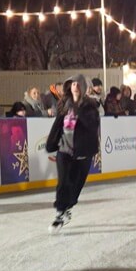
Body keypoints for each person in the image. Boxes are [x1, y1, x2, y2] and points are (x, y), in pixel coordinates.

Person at [45, 74, 101, 230]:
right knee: (63, 182)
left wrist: (78, 109)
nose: (75, 86)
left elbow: (92, 125)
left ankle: (68, 207)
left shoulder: (90, 106)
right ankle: (60, 213)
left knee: (76, 186)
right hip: (65, 150)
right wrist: (51, 143)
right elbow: (57, 125)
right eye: (72, 83)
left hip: (83, 152)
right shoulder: (64, 104)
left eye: (78, 84)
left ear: (82, 87)